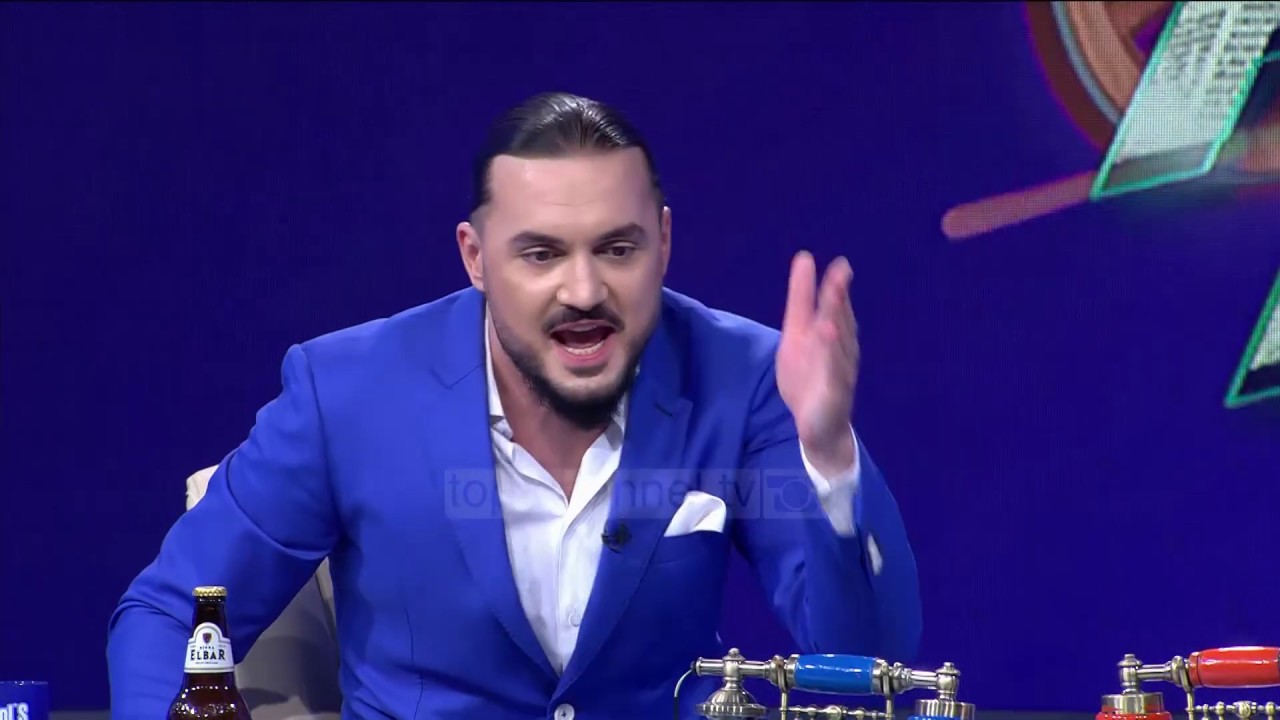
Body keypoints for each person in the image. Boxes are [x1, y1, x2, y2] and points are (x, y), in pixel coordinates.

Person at [107, 91, 922, 720]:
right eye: (541, 254)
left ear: (664, 243)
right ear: (476, 258)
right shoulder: (347, 394)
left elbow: (867, 658)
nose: (584, 290)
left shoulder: (744, 379)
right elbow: (167, 613)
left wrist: (827, 453)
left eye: (618, 248)